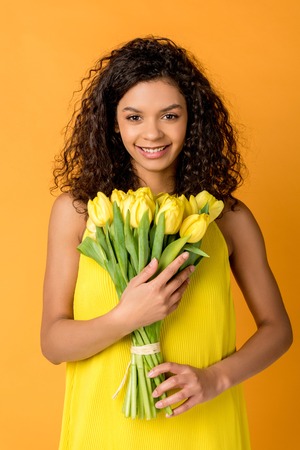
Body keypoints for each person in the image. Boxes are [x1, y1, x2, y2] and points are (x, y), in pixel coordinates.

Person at [41, 37, 292, 449]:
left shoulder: (226, 217)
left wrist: (216, 379)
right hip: (106, 432)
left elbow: (278, 329)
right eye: (134, 117)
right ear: (113, 123)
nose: (152, 132)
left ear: (192, 120)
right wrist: (126, 317)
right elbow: (53, 343)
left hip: (204, 429)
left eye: (170, 115)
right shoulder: (79, 212)